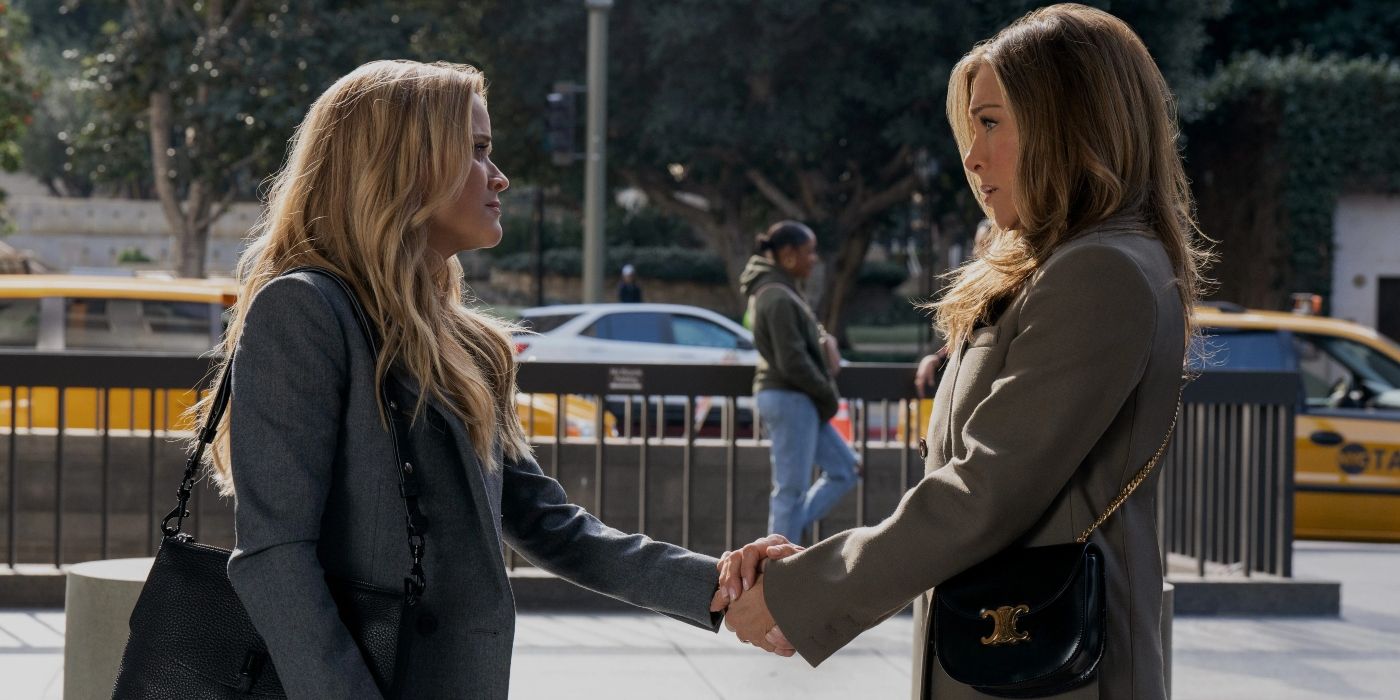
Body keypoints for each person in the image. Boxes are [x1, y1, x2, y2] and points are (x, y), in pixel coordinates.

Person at [718, 5, 1211, 699]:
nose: (973, 156)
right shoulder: (1068, 266)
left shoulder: (1100, 273)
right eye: (971, 126)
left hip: (1053, 668)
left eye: (991, 122)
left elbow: (986, 490)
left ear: (1070, 125)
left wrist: (804, 590)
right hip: (1015, 650)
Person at [194, 60, 726, 699]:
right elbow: (274, 557)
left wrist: (716, 587)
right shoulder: (305, 311)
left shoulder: (464, 342)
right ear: (402, 166)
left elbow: (544, 520)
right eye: (476, 152)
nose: (499, 176)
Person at [738, 221, 859, 545]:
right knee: (790, 490)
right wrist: (828, 395)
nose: (814, 259)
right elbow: (791, 360)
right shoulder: (776, 295)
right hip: (790, 397)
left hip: (797, 398)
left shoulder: (780, 288)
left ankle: (785, 535)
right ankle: (776, 572)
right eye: (809, 252)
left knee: (845, 469)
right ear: (788, 255)